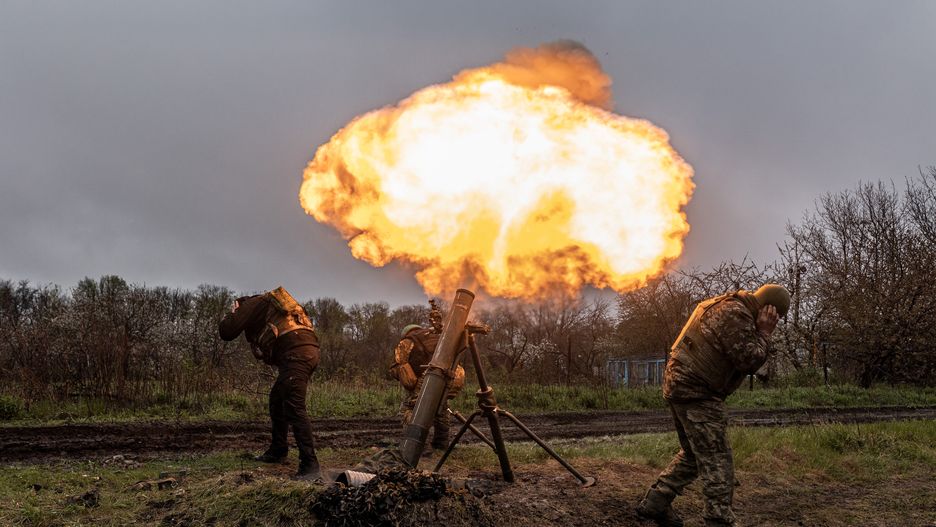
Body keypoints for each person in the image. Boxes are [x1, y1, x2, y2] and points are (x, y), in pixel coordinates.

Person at [636, 284, 791, 527]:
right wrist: (764, 333)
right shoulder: (736, 314)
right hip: (697, 392)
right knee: (718, 460)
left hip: (681, 386)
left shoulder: (725, 304)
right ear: (768, 309)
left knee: (693, 454)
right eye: (776, 316)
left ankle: (656, 503)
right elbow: (750, 360)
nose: (775, 320)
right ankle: (719, 520)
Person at [219, 286, 322, 481]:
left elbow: (227, 331)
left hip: (296, 353)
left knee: (294, 406)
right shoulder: (276, 305)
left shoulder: (251, 303)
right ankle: (278, 450)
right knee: (277, 399)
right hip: (307, 351)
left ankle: (310, 465)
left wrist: (233, 311)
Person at [389, 301, 465, 451]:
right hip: (448, 379)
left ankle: (413, 445)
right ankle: (441, 444)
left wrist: (410, 384)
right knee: (442, 410)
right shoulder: (438, 337)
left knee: (411, 409)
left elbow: (401, 365)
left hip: (425, 379)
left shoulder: (408, 341)